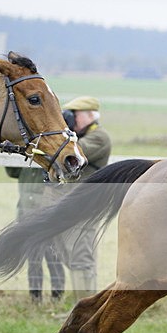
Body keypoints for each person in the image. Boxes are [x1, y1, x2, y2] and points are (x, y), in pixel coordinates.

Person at [59, 96, 113, 300]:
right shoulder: (80, 136)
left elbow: (72, 154)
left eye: (74, 116)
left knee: (82, 256)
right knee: (70, 254)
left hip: (87, 208)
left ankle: (85, 306)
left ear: (91, 115)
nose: (70, 120)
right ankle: (80, 303)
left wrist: (63, 133)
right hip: (73, 206)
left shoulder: (100, 137)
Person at [5, 166, 65, 303]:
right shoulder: (25, 165)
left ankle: (57, 296)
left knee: (53, 258)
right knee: (33, 260)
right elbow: (12, 171)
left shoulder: (49, 167)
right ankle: (35, 297)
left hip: (47, 219)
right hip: (26, 217)